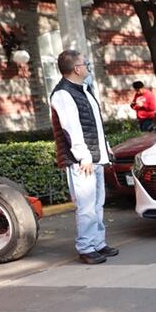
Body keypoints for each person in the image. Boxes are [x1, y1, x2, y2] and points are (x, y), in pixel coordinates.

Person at [50, 50, 117, 265]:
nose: (87, 67)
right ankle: (86, 247)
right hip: (82, 161)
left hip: (95, 157)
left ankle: (98, 243)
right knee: (86, 206)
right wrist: (83, 156)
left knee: (97, 203)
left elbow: (94, 126)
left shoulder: (84, 90)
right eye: (85, 64)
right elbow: (71, 128)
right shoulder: (63, 94)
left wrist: (105, 149)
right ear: (76, 68)